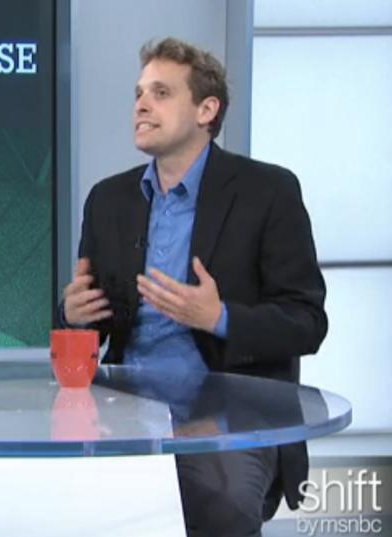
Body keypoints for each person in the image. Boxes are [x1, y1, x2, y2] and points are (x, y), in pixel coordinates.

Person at [59, 37, 327, 537]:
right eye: (139, 93)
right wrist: (73, 317)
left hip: (230, 415)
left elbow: (307, 323)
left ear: (207, 110)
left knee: (221, 499)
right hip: (124, 411)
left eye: (161, 93)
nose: (141, 104)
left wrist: (218, 318)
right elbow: (90, 330)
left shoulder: (268, 192)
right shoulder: (108, 200)